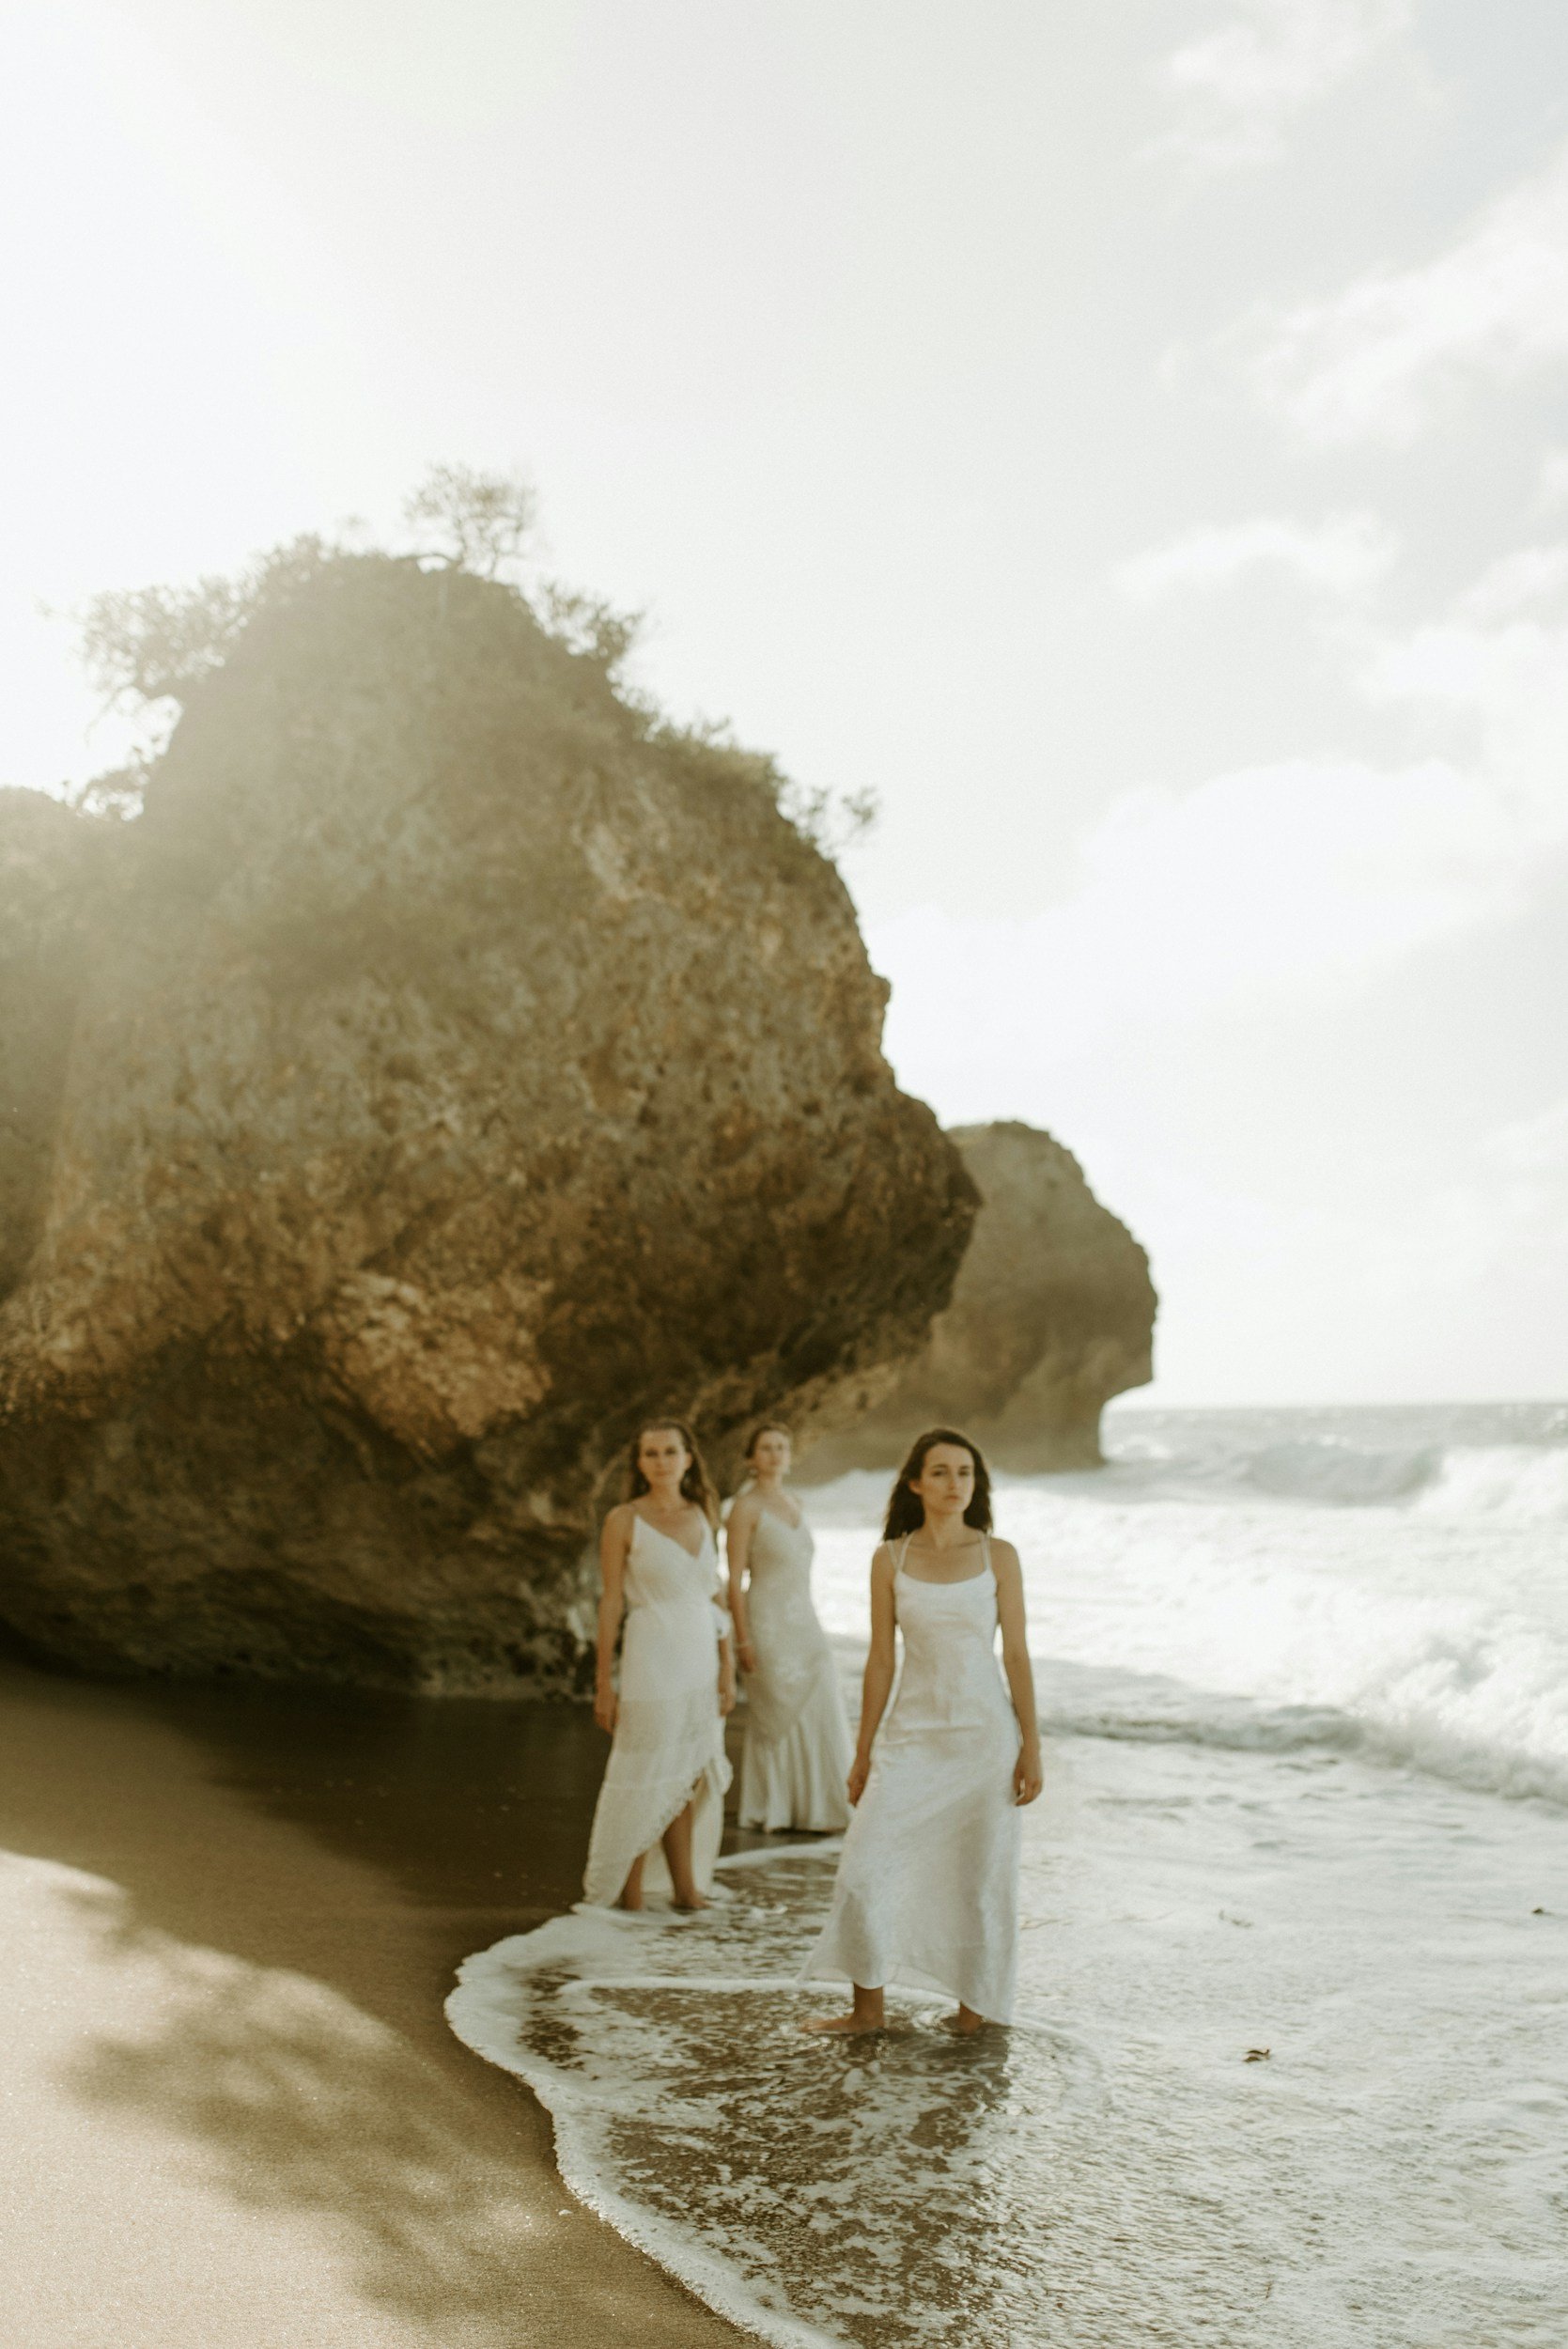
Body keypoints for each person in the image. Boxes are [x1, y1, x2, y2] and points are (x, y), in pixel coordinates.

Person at [800, 1426, 1043, 2033]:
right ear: (914, 1482)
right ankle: (867, 2012)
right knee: (866, 1864)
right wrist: (862, 1753)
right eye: (940, 1472)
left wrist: (1032, 1747)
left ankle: (973, 2013)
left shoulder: (998, 1556)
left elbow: (1015, 1656)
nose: (954, 1483)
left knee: (978, 1876)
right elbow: (881, 1659)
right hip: (911, 1738)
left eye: (964, 1472)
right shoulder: (891, 1559)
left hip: (984, 1739)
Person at [582, 1419, 735, 1911]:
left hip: (699, 1659)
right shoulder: (623, 1519)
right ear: (639, 1463)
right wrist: (604, 1682)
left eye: (671, 1452)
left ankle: (686, 1891)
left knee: (687, 1774)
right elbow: (609, 1604)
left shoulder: (703, 1512)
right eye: (651, 1454)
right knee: (645, 1772)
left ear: (689, 1458)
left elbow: (714, 1595)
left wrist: (728, 1667)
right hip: (651, 1656)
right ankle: (627, 1897)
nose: (661, 1462)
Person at [726, 1423, 852, 1833]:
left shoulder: (796, 1501)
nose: (775, 1454)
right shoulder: (744, 1508)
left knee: (823, 1697)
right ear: (751, 1458)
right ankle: (775, 1808)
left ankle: (824, 1807)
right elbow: (734, 1581)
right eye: (766, 1448)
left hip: (807, 1621)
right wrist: (742, 1639)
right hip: (766, 1622)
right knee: (776, 1711)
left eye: (782, 1447)